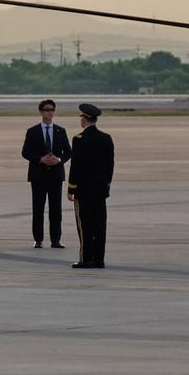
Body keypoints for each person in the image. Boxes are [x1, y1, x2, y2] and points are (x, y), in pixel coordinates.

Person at [67, 103, 114, 269]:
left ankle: (86, 258)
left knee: (85, 225)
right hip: (101, 191)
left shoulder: (79, 139)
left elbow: (76, 166)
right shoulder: (106, 138)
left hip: (84, 191)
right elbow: (110, 166)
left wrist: (71, 188)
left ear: (85, 119)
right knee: (100, 225)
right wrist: (106, 185)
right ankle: (99, 259)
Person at [21, 99, 72, 249]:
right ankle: (38, 239)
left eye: (52, 110)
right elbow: (25, 152)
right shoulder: (33, 131)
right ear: (41, 112)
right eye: (47, 109)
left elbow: (68, 151)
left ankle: (56, 240)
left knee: (56, 209)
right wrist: (40, 159)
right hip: (38, 175)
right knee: (38, 208)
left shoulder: (60, 131)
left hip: (56, 175)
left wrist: (59, 160)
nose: (50, 112)